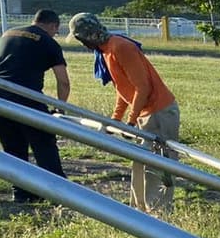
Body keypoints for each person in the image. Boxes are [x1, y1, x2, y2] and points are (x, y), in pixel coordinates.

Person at [68, 13, 182, 214]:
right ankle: (138, 209)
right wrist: (116, 119)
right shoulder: (106, 51)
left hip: (159, 112)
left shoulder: (121, 47)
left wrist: (130, 121)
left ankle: (158, 212)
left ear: (89, 36)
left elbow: (143, 87)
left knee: (156, 166)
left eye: (81, 39)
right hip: (145, 114)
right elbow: (123, 89)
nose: (81, 43)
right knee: (138, 161)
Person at [0, 9, 71, 203]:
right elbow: (63, 81)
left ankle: (21, 192)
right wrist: (60, 107)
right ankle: (58, 192)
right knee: (44, 144)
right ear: (53, 25)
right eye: (56, 31)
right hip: (26, 97)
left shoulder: (8, 33)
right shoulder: (48, 42)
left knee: (13, 148)